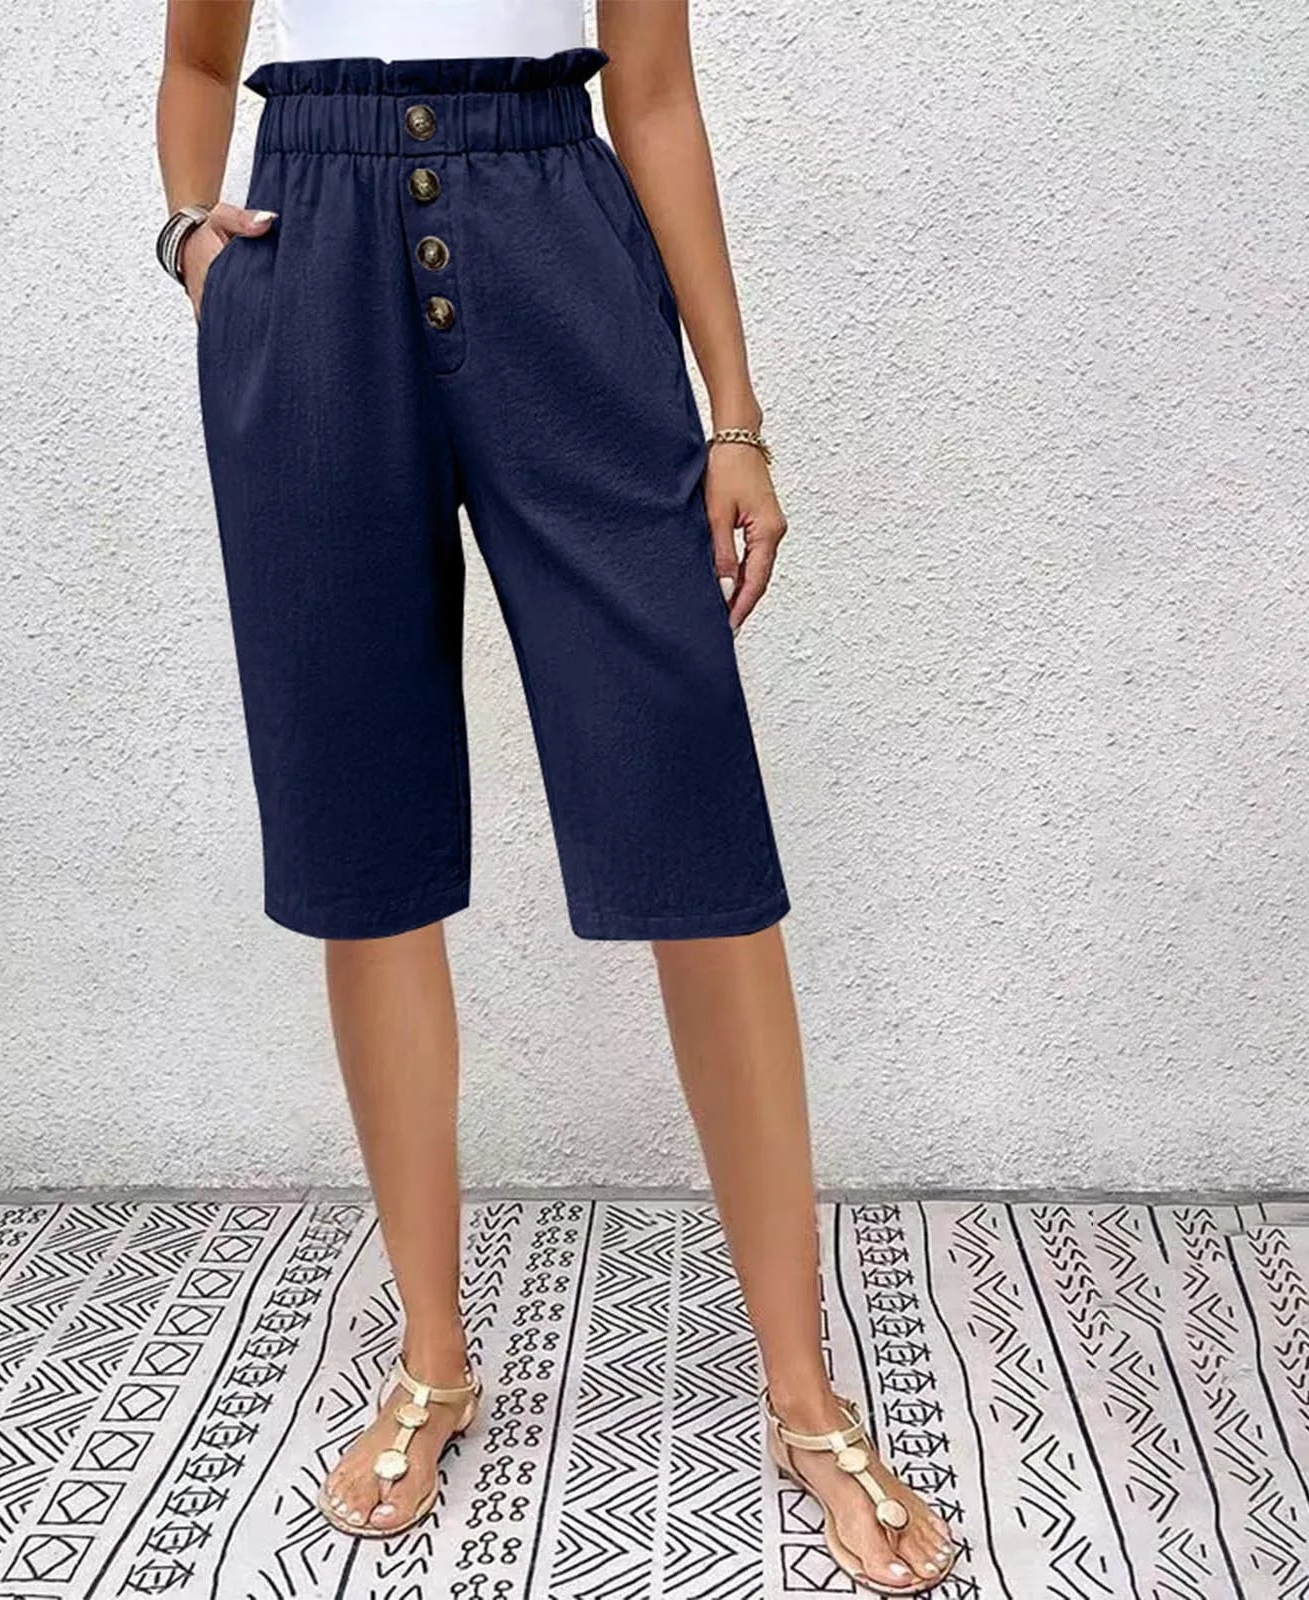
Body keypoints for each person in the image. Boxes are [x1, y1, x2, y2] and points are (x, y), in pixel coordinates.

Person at [155, 2, 959, 1591]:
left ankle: (805, 1397)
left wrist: (734, 416)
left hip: (554, 235)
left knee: (689, 812)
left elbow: (653, 97)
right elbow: (196, 61)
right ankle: (432, 1361)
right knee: (363, 836)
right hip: (308, 268)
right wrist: (194, 242)